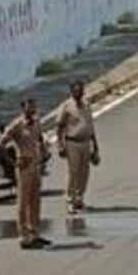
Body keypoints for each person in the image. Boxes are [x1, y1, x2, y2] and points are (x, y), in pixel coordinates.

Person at [0, 98, 51, 249]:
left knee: (35, 201)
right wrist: (14, 163)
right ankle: (24, 236)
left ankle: (34, 233)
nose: (32, 109)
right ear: (23, 108)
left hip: (36, 164)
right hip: (24, 165)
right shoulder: (17, 125)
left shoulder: (36, 122)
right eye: (29, 106)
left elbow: (39, 137)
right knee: (23, 202)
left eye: (34, 105)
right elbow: (0, 145)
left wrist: (44, 152)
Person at [57, 80, 100, 214]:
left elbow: (90, 126)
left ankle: (79, 199)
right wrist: (61, 145)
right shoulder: (66, 106)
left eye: (81, 90)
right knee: (73, 172)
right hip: (72, 143)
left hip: (86, 142)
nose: (79, 93)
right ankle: (70, 200)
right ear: (71, 92)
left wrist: (95, 147)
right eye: (76, 91)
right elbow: (59, 127)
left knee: (84, 173)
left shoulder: (86, 105)